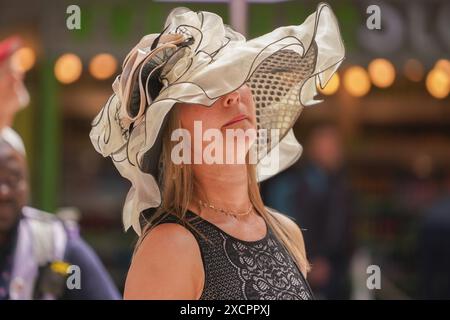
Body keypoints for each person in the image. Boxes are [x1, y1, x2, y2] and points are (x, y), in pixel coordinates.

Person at [89, 4, 345, 299]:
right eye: (208, 89)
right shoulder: (170, 247)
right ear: (173, 129)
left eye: (238, 76)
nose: (232, 95)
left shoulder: (287, 232)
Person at [0, 129, 121, 299]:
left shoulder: (57, 247)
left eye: (13, 180)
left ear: (28, 184)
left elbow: (83, 285)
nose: (3, 192)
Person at [263, 123, 354, 299]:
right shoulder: (290, 186)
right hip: (301, 268)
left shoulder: (340, 186)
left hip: (334, 270)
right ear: (312, 148)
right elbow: (282, 228)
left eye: (335, 145)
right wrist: (309, 261)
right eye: (327, 145)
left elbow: (342, 231)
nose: (334, 151)